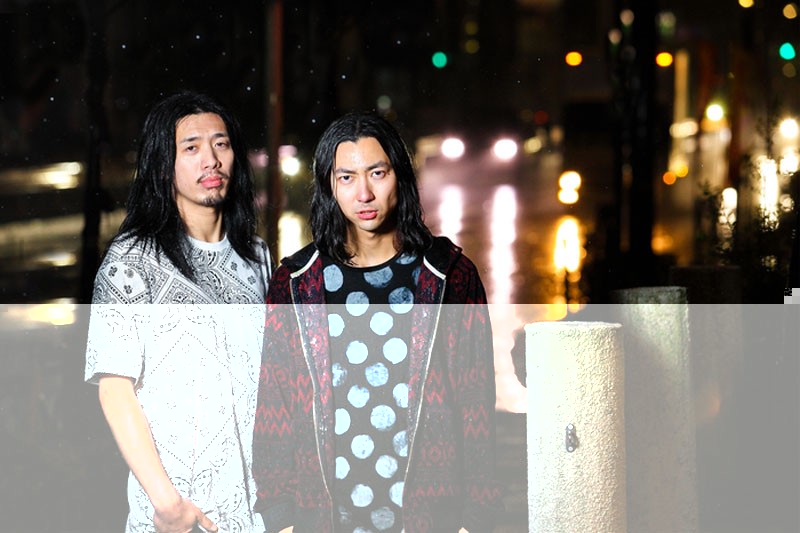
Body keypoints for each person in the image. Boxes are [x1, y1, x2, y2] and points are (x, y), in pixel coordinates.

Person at [253, 111, 501, 532]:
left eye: (377, 173)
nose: (364, 193)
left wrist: (476, 519)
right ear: (330, 186)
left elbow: (475, 403)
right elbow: (275, 403)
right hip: (325, 517)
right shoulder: (296, 282)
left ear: (399, 176)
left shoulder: (449, 276)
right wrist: (280, 516)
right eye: (346, 177)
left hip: (429, 517)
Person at [85, 90, 271, 533]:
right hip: (182, 517)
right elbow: (114, 389)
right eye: (191, 148)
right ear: (162, 163)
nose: (211, 160)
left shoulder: (257, 257)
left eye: (221, 144)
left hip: (262, 513)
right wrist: (167, 503)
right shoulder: (131, 263)